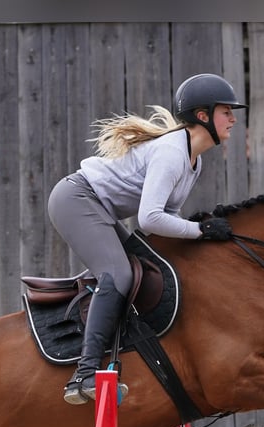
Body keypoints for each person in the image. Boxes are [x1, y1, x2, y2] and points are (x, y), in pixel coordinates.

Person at [48, 73, 247, 405]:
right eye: (226, 111)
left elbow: (166, 220)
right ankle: (83, 375)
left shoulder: (193, 162)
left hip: (96, 206)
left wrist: (203, 235)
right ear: (203, 115)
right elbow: (150, 218)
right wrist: (200, 231)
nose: (233, 119)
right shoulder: (172, 154)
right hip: (76, 199)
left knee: (143, 269)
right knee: (120, 274)